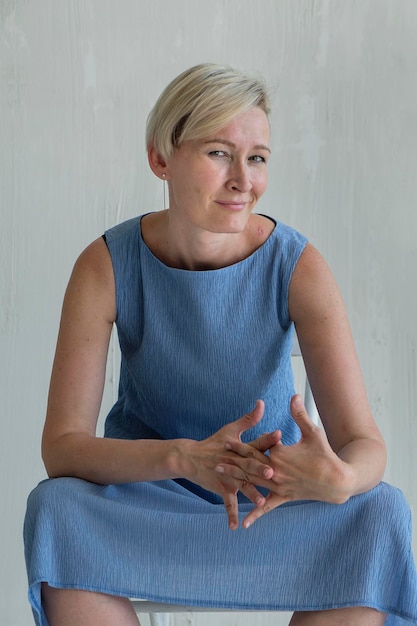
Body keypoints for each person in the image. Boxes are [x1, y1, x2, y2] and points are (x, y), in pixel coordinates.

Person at [24, 63, 417, 626]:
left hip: (270, 505)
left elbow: (363, 444)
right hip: (150, 502)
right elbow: (62, 448)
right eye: (218, 153)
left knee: (382, 510)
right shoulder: (106, 265)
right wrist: (183, 456)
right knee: (55, 508)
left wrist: (339, 477)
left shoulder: (298, 265)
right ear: (161, 157)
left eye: (257, 157)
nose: (243, 180)